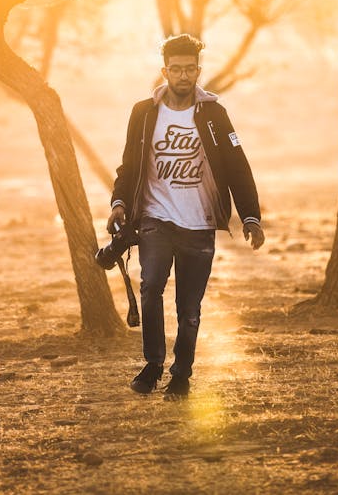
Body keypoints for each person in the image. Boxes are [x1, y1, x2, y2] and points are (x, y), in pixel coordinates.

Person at [107, 34, 264, 400]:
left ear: (198, 71)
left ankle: (181, 375)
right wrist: (118, 202)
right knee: (150, 288)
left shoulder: (214, 115)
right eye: (175, 69)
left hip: (199, 223)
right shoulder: (144, 113)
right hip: (155, 219)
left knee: (189, 308)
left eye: (189, 69)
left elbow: (238, 167)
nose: (182, 75)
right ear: (164, 71)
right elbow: (129, 165)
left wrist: (251, 217)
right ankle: (153, 364)